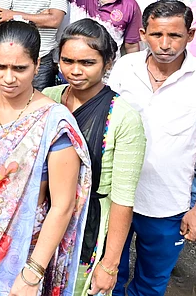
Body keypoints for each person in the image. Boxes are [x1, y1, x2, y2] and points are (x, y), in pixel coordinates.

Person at [109, 0, 196, 296]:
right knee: (108, 273)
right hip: (117, 196)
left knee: (151, 282)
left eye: (175, 36)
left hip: (167, 205)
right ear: (142, 33)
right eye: (157, 35)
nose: (165, 44)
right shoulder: (125, 68)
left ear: (190, 35)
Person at [0, 20, 91, 296]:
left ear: (37, 64)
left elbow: (63, 204)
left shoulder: (53, 121)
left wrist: (33, 271)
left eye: (20, 68)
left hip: (22, 255)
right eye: (0, 66)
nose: (9, 78)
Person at [43, 19, 146, 296]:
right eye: (67, 61)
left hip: (88, 226)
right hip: (42, 221)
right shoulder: (47, 98)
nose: (75, 71)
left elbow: (123, 200)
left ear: (108, 63)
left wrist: (110, 265)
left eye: (87, 63)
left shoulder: (123, 117)